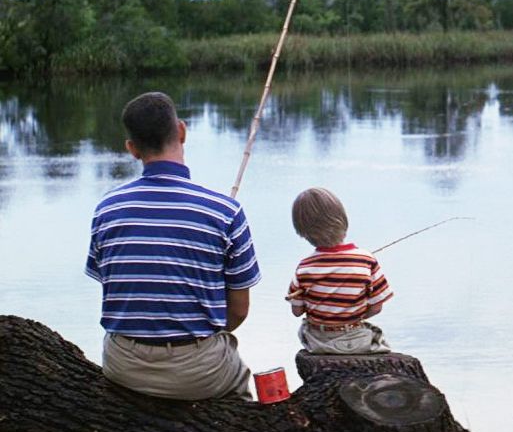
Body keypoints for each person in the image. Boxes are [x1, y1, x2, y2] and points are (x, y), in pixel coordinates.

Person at [85, 92, 261, 400]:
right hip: (199, 371)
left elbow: (117, 287)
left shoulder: (106, 209)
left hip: (123, 366)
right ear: (181, 131)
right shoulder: (225, 211)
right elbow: (239, 311)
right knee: (241, 383)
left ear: (132, 149)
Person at [286, 187, 393, 355]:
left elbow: (297, 311)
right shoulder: (367, 260)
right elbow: (377, 307)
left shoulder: (304, 267)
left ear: (302, 231)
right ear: (343, 220)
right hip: (357, 338)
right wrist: (353, 317)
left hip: (317, 342)